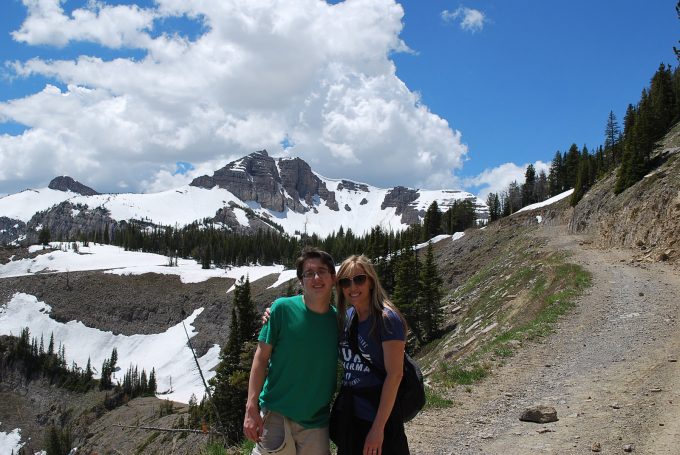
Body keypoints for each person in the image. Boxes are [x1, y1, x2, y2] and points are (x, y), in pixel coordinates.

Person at [244, 247, 338, 455]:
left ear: (333, 278)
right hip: (276, 415)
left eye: (322, 271)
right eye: (308, 273)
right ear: (300, 281)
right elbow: (260, 359)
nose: (316, 278)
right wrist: (251, 408)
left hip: (316, 421)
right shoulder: (281, 310)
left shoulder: (340, 321)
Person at [332, 254, 410, 455]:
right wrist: (275, 312)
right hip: (351, 415)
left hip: (376, 417)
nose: (352, 287)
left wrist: (378, 429)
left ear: (371, 282)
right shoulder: (348, 317)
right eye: (345, 282)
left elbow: (395, 375)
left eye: (359, 279)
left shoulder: (386, 318)